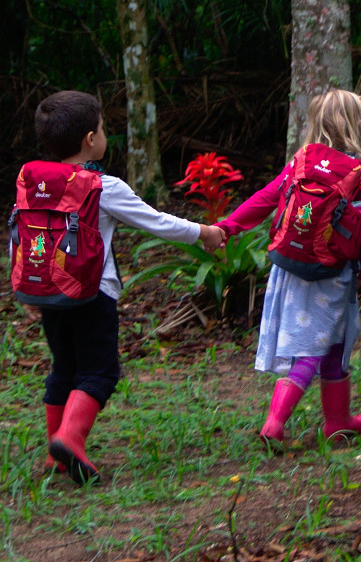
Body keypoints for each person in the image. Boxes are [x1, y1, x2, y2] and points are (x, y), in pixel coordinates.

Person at [21, 90, 225, 485]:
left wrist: (31, 288)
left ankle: (56, 455)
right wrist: (204, 231)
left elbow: (24, 238)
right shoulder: (102, 186)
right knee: (100, 371)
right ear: (89, 140)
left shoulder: (35, 183)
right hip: (91, 295)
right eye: (102, 128)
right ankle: (70, 437)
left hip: (48, 293)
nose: (104, 135)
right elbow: (157, 221)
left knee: (64, 367)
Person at [216, 89, 361, 450]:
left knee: (330, 342)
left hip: (290, 267)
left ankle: (337, 422)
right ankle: (274, 423)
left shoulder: (302, 161)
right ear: (359, 126)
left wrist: (228, 226)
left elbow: (266, 198)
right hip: (333, 273)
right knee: (314, 348)